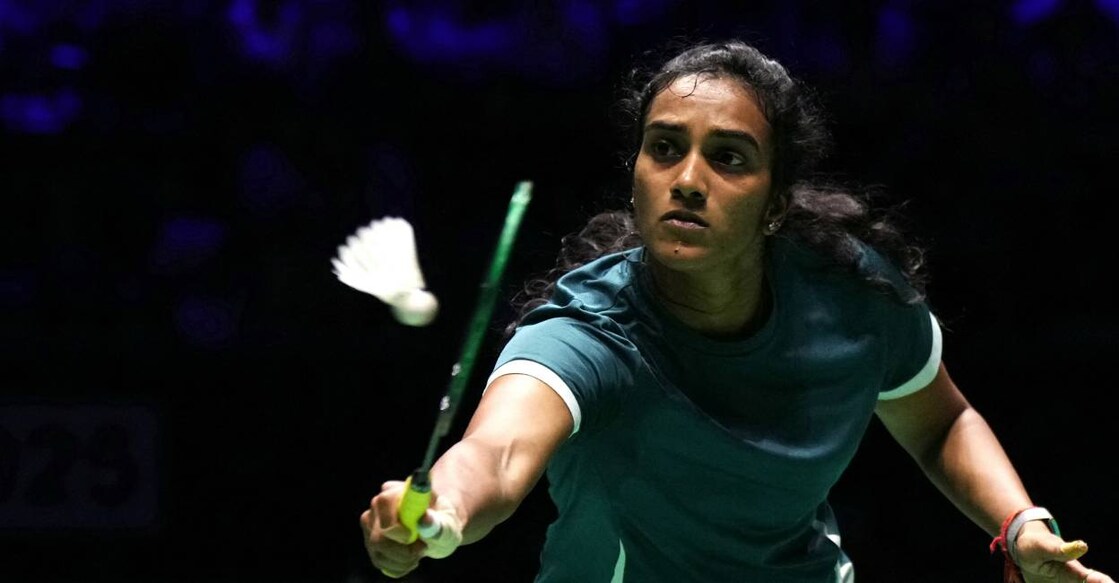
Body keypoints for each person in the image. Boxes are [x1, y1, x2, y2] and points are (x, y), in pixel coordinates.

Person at [359, 39, 1114, 583]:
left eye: (728, 157)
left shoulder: (852, 299)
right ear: (634, 179)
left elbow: (940, 420)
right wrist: (440, 514)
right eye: (663, 148)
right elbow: (495, 454)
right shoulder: (589, 333)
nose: (687, 179)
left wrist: (1018, 525)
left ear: (775, 200)